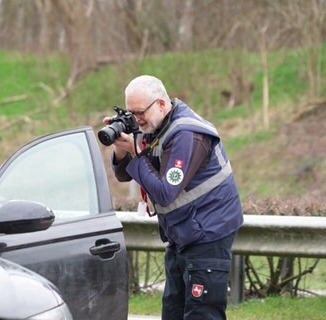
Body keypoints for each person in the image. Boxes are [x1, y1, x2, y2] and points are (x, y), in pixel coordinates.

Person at [104, 75, 243, 320]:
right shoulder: (157, 126)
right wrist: (120, 146)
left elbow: (166, 192)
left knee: (202, 314)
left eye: (139, 113)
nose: (137, 120)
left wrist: (135, 151)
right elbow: (125, 175)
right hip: (182, 235)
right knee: (173, 312)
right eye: (131, 114)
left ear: (160, 104)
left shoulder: (187, 134)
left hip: (208, 233)